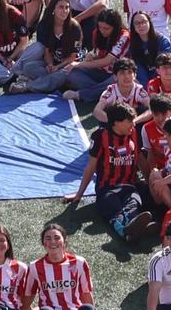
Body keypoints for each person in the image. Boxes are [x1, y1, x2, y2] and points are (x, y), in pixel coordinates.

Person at [64, 102, 156, 242]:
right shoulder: (100, 136)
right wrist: (78, 195)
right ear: (116, 123)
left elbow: (139, 159)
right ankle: (128, 232)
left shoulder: (133, 133)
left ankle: (133, 229)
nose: (133, 124)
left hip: (129, 185)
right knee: (112, 205)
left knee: (133, 202)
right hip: (107, 188)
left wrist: (149, 181)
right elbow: (91, 166)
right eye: (129, 121)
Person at [8, 0, 82, 93]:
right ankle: (50, 83)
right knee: (28, 67)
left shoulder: (74, 27)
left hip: (67, 65)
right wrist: (50, 64)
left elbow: (73, 57)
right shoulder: (45, 25)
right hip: (52, 64)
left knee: (63, 74)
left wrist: (58, 67)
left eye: (67, 7)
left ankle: (28, 86)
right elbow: (47, 51)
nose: (64, 11)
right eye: (61, 7)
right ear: (53, 9)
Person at [61, 8, 130, 102]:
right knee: (71, 74)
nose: (102, 31)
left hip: (115, 74)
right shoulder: (96, 33)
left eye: (106, 28)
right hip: (99, 73)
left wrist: (78, 64)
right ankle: (105, 92)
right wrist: (91, 56)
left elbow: (107, 61)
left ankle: (82, 94)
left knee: (121, 79)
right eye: (100, 27)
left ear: (115, 27)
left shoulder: (124, 36)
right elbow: (97, 54)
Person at [92, 58, 149, 124]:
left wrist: (133, 121)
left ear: (135, 76)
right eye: (122, 73)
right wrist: (117, 123)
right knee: (107, 112)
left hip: (133, 124)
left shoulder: (139, 90)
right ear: (115, 77)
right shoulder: (111, 91)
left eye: (130, 72)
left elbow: (152, 109)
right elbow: (97, 111)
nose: (127, 76)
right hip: (116, 126)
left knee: (144, 110)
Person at [128, 11, 171, 85]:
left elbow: (168, 63)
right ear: (133, 27)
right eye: (137, 23)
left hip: (162, 78)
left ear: (149, 22)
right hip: (142, 80)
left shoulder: (162, 41)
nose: (141, 25)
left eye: (144, 22)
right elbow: (136, 67)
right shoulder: (132, 44)